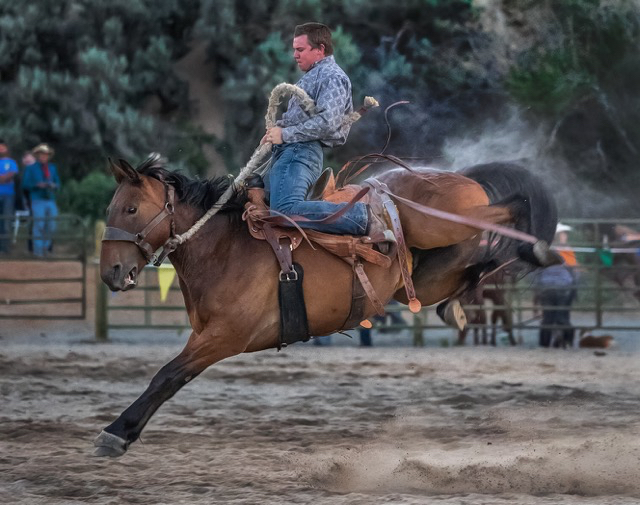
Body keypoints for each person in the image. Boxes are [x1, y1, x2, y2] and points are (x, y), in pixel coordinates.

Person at [260, 22, 388, 239]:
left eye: (300, 49)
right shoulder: (316, 75)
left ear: (319, 49)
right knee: (252, 201)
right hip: (289, 153)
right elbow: (301, 117)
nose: (294, 55)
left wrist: (285, 135)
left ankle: (362, 218)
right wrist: (278, 129)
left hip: (299, 152)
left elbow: (328, 122)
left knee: (284, 210)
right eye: (294, 49)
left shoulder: (331, 76)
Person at [533, 223, 579, 348]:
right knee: (562, 316)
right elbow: (574, 270)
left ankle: (544, 344)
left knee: (548, 317)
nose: (565, 237)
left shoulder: (543, 249)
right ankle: (567, 341)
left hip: (546, 287)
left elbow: (537, 270)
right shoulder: (566, 250)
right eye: (563, 234)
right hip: (562, 287)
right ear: (558, 236)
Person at [21, 143, 60, 256]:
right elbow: (25, 184)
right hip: (37, 199)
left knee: (51, 225)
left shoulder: (52, 168)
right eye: (42, 154)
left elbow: (58, 183)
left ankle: (45, 248)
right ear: (38, 155)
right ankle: (38, 251)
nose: (44, 156)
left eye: (46, 154)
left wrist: (54, 185)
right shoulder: (31, 168)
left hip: (50, 199)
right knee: (39, 225)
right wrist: (37, 185)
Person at [0, 140, 19, 253]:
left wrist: (3, 178)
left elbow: (12, 175)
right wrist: (4, 178)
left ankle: (6, 248)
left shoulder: (12, 162)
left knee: (6, 221)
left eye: (2, 147)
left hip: (8, 195)